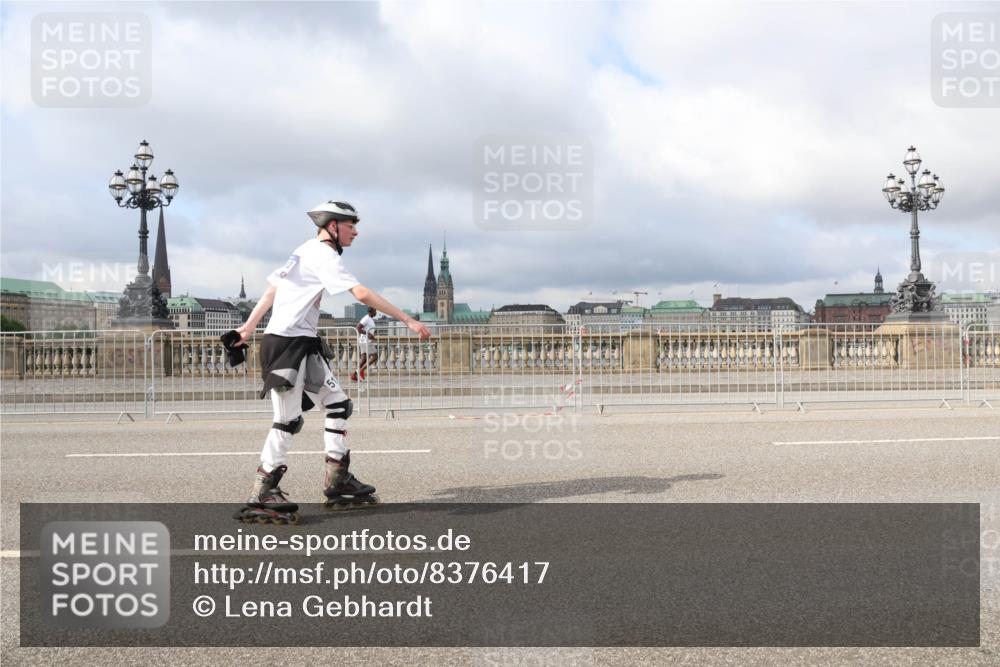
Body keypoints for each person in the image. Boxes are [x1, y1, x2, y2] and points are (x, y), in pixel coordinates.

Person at [232, 200, 431, 524]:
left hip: (304, 343)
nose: (356, 231)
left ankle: (338, 479)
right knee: (287, 420)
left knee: (338, 403)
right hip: (286, 344)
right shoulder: (322, 254)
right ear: (332, 226)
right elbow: (362, 294)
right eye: (351, 224)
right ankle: (262, 490)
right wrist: (408, 320)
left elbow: (272, 290)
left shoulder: (304, 250)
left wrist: (248, 327)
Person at [350, 306, 378, 381]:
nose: (376, 312)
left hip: (364, 340)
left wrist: (372, 334)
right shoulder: (366, 318)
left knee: (364, 359)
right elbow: (358, 328)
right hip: (366, 341)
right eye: (375, 311)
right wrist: (368, 334)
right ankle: (360, 371)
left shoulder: (370, 319)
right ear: (371, 311)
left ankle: (354, 375)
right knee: (375, 357)